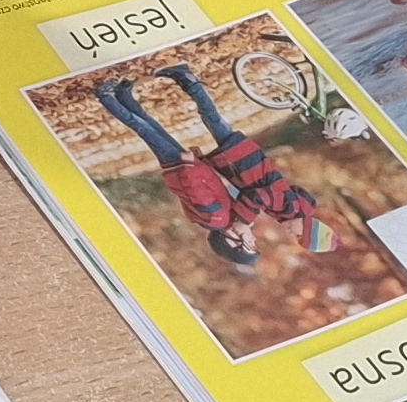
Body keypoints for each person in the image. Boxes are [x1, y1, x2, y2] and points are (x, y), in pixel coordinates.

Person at [87, 61, 334, 268]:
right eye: (297, 233)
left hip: (232, 163)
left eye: (252, 243)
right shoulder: (289, 208)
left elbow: (203, 194)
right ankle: (187, 78)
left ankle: (119, 96)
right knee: (210, 118)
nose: (291, 234)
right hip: (241, 160)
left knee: (157, 129)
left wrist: (198, 171)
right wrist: (244, 221)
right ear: (307, 225)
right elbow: (258, 195)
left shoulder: (279, 212)